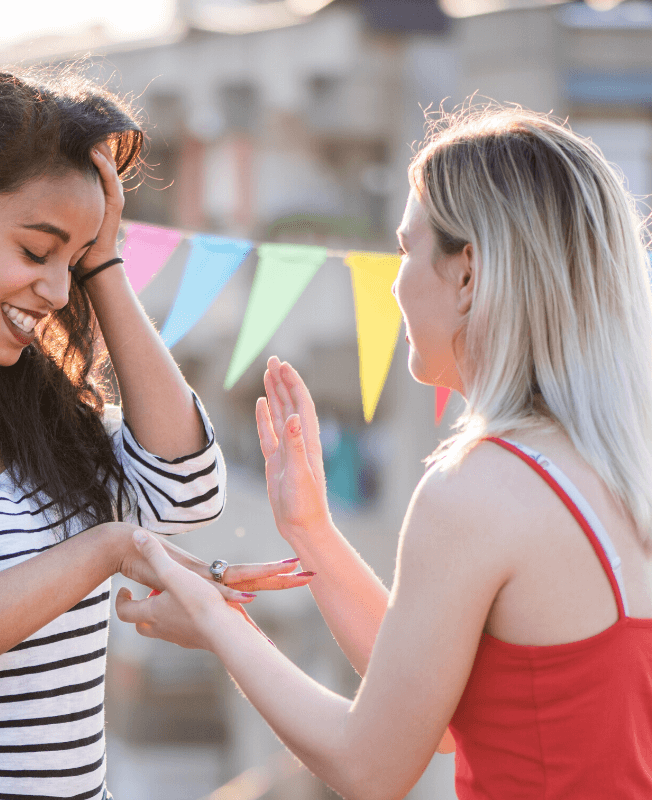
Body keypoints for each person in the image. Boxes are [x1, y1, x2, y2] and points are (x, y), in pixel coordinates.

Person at [115, 106, 652, 799]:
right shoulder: (609, 470)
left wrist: (219, 623)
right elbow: (442, 715)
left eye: (406, 250)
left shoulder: (481, 488)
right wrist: (312, 533)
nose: (395, 282)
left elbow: (373, 766)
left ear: (468, 274)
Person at [0, 68, 310, 800]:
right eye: (38, 251)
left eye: (74, 262)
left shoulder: (28, 405)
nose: (60, 294)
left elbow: (184, 493)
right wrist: (108, 549)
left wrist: (104, 261)